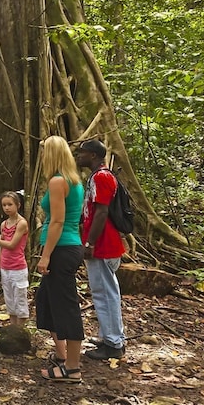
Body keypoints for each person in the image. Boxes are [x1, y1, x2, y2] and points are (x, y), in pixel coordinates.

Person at [35, 136, 85, 383]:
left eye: (44, 153)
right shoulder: (74, 181)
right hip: (68, 247)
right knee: (45, 300)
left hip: (61, 250)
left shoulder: (57, 182)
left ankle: (72, 369)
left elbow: (57, 221)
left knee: (66, 307)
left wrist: (45, 256)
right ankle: (62, 355)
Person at [75, 139, 127, 360]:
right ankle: (109, 336)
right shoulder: (97, 176)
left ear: (93, 156)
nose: (78, 156)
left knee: (106, 294)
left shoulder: (102, 177)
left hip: (103, 245)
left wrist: (90, 243)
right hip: (100, 244)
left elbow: (102, 212)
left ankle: (114, 343)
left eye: (82, 153)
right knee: (101, 293)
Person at [0, 191, 29, 326]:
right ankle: (13, 330)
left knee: (20, 300)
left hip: (18, 268)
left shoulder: (21, 223)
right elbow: (2, 248)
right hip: (5, 267)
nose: (7, 208)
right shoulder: (4, 224)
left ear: (18, 205)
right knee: (10, 301)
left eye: (10, 204)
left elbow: (12, 245)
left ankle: (19, 332)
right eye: (4, 205)